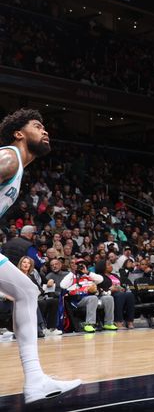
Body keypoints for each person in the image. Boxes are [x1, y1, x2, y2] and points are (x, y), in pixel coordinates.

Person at [0, 109, 81, 403]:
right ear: (19, 134)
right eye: (37, 126)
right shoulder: (8, 158)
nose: (45, 131)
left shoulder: (17, 165)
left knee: (26, 291)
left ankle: (35, 380)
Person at [60, 259, 116, 332]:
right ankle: (89, 324)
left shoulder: (90, 275)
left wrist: (87, 272)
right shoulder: (72, 276)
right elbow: (62, 285)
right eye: (78, 265)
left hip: (94, 299)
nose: (81, 267)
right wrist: (72, 272)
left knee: (109, 298)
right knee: (92, 298)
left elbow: (101, 279)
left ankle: (108, 323)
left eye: (83, 265)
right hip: (78, 301)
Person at [17, 256, 61, 337]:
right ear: (20, 264)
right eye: (24, 262)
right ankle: (41, 327)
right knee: (41, 303)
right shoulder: (17, 275)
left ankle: (51, 329)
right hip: (24, 299)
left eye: (28, 263)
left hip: (37, 296)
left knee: (54, 301)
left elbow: (40, 289)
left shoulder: (32, 276)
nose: (26, 264)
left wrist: (37, 293)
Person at [96, 259, 136, 329]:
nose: (111, 266)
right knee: (120, 295)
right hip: (108, 295)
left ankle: (130, 321)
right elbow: (100, 289)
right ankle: (118, 321)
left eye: (110, 264)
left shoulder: (115, 275)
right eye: (108, 265)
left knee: (130, 295)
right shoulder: (100, 277)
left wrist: (122, 288)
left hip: (119, 293)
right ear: (103, 267)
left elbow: (121, 285)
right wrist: (110, 289)